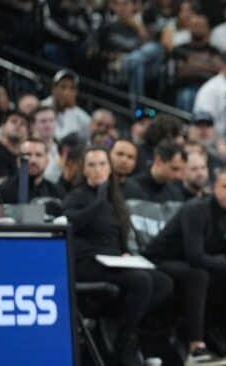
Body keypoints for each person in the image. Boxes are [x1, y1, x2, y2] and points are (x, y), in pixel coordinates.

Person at [145, 167, 226, 365]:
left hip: (198, 262)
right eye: (225, 187)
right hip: (162, 260)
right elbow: (195, 256)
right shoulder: (196, 209)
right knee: (199, 274)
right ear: (215, 187)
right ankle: (195, 347)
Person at [64, 147, 172, 366]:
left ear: (109, 168)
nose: (97, 170)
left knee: (163, 281)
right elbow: (72, 222)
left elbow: (120, 232)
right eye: (92, 165)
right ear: (84, 170)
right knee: (140, 282)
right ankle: (123, 348)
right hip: (87, 262)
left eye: (102, 164)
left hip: (115, 261)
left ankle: (119, 323)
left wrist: (126, 252)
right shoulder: (76, 197)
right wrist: (99, 199)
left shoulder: (116, 198)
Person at [0, 138, 64, 208]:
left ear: (47, 161)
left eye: (38, 155)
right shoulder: (3, 191)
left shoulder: (56, 192)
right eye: (28, 155)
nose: (33, 160)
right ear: (18, 161)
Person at [40, 70, 90, 140]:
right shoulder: (40, 108)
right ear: (53, 88)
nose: (66, 92)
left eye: (72, 88)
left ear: (76, 93)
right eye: (63, 87)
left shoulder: (82, 118)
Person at [0, 111, 29, 180]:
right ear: (3, 127)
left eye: (23, 124)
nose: (18, 125)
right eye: (13, 121)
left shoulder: (27, 156)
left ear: (27, 132)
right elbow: (4, 187)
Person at [31, 106, 62, 182]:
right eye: (43, 121)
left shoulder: (61, 147)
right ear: (33, 125)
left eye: (51, 120)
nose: (48, 125)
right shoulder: (26, 149)